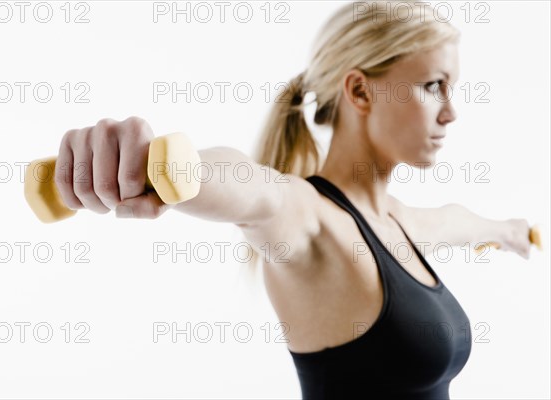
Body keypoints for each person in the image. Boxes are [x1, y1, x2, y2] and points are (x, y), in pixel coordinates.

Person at [52, 1, 533, 398]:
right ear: (361, 91)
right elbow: (254, 190)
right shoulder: (309, 218)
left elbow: (459, 221)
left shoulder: (399, 221)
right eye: (433, 86)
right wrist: (170, 167)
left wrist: (510, 231)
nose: (451, 113)